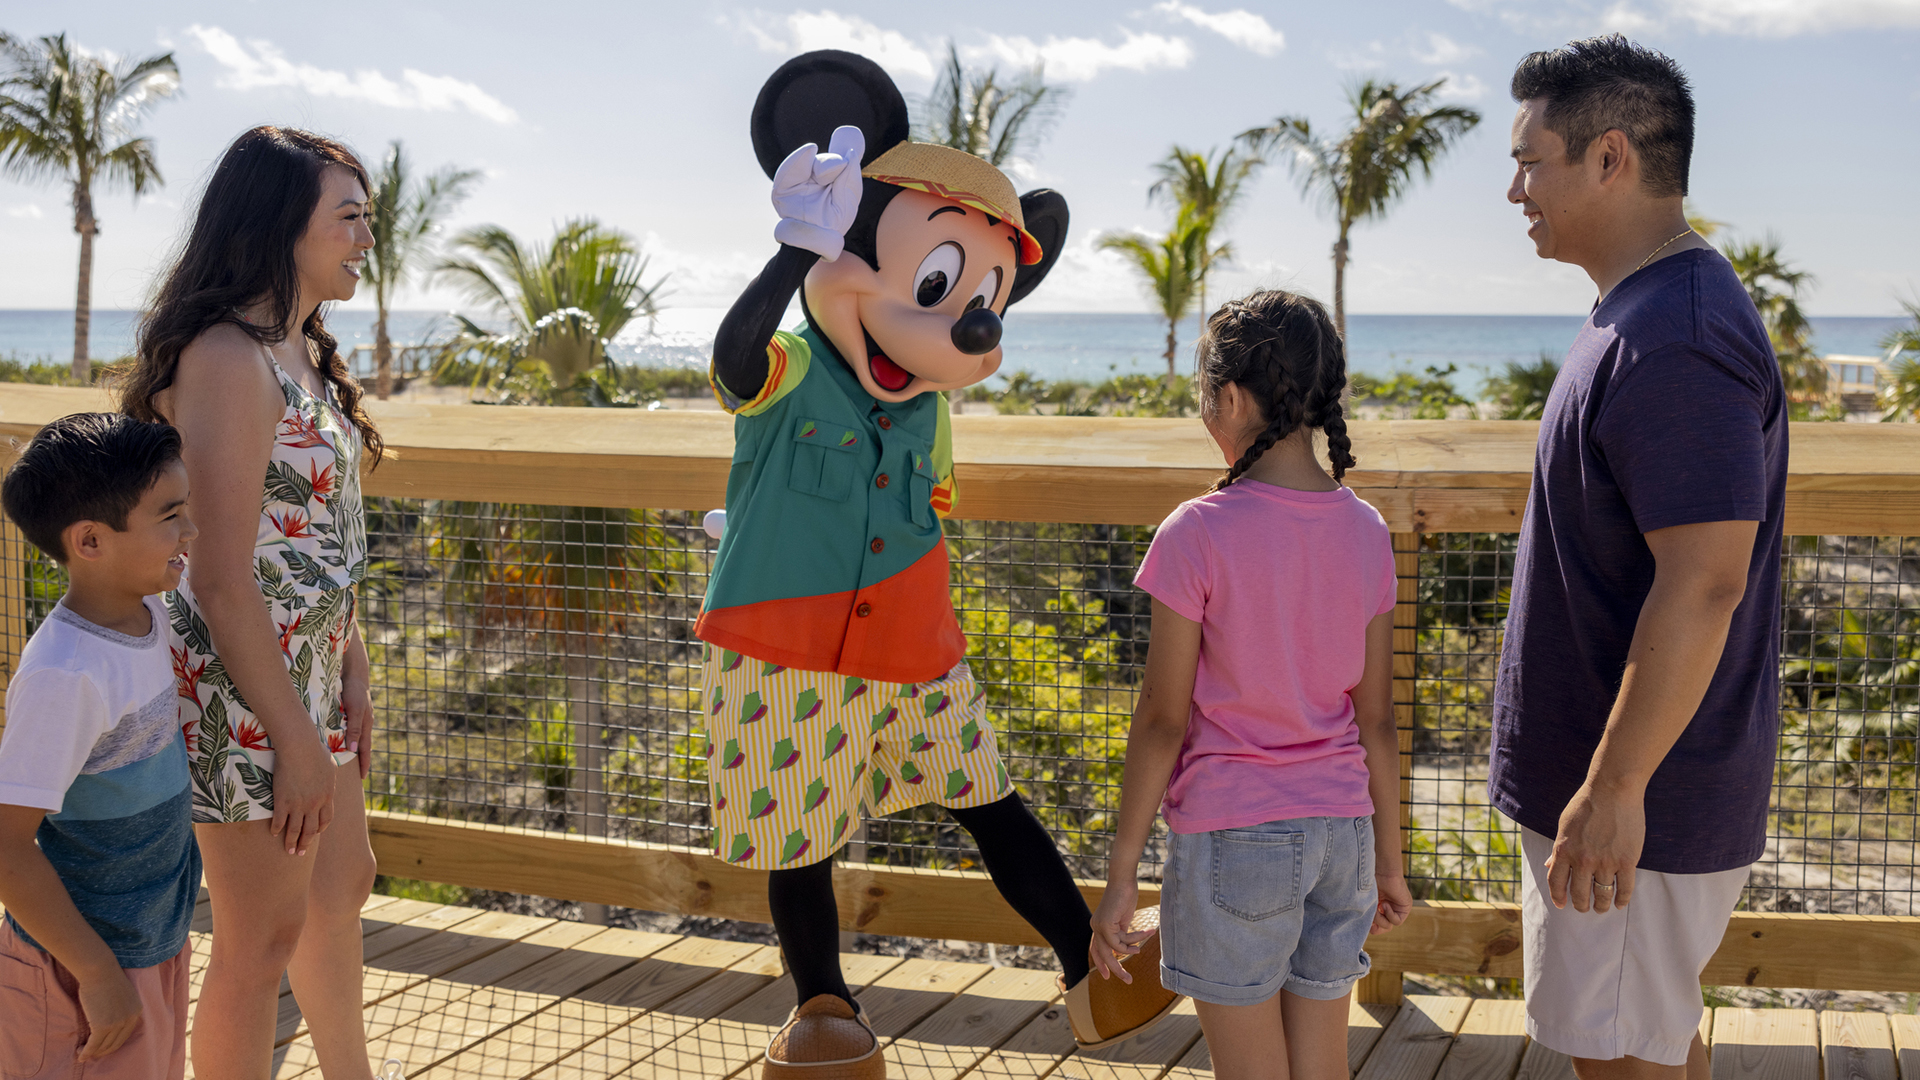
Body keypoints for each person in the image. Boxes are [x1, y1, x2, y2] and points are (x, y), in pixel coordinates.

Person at [1493, 36, 1786, 1080]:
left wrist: (1614, 789)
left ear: (1609, 157)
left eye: (1533, 159)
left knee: (1620, 1060)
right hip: (1632, 799)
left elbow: (1706, 580)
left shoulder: (1676, 338)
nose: (1514, 186)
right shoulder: (1646, 310)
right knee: (1647, 1042)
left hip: (1640, 806)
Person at [119, 126, 391, 1080]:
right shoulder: (228, 359)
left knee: (339, 885)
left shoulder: (302, 350)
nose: (367, 238)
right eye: (348, 218)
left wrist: (352, 666)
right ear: (282, 225)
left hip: (312, 676)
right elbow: (225, 579)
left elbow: (319, 544)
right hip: (245, 686)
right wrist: (297, 740)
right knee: (260, 934)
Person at [1091, 290, 1412, 1080]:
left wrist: (1123, 873)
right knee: (1321, 1067)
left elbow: (1164, 720)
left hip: (1236, 836)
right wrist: (1392, 864)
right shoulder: (1366, 530)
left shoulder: (1197, 531)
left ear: (1230, 397)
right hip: (1345, 835)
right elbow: (1376, 722)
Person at [0, 414, 199, 1080]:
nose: (189, 532)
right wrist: (95, 972)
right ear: (89, 540)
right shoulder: (64, 675)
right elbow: (5, 844)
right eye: (170, 516)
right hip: (81, 972)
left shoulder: (151, 614)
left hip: (150, 946)